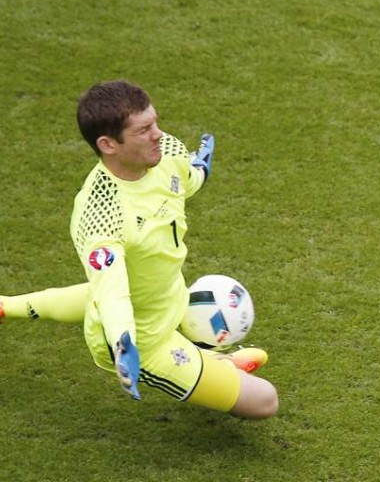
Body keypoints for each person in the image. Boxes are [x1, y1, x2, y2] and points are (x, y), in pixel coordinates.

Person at [0, 80, 278, 418]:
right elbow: (111, 293)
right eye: (144, 129)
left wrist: (201, 170)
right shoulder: (101, 214)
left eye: (155, 122)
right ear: (108, 144)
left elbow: (184, 180)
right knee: (265, 401)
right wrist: (124, 345)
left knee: (119, 286)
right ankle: (212, 363)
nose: (158, 134)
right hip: (146, 342)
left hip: (165, 295)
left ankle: (5, 307)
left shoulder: (166, 152)